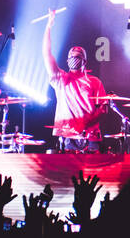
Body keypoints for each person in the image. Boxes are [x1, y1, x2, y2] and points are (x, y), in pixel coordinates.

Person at [43, 9, 108, 152]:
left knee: (94, 172)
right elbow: (47, 54)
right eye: (72, 58)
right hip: (69, 136)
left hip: (91, 136)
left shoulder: (94, 82)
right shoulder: (61, 79)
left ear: (84, 61)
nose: (74, 60)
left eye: (77, 58)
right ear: (67, 60)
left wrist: (85, 123)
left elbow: (103, 108)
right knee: (69, 171)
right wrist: (49, 26)